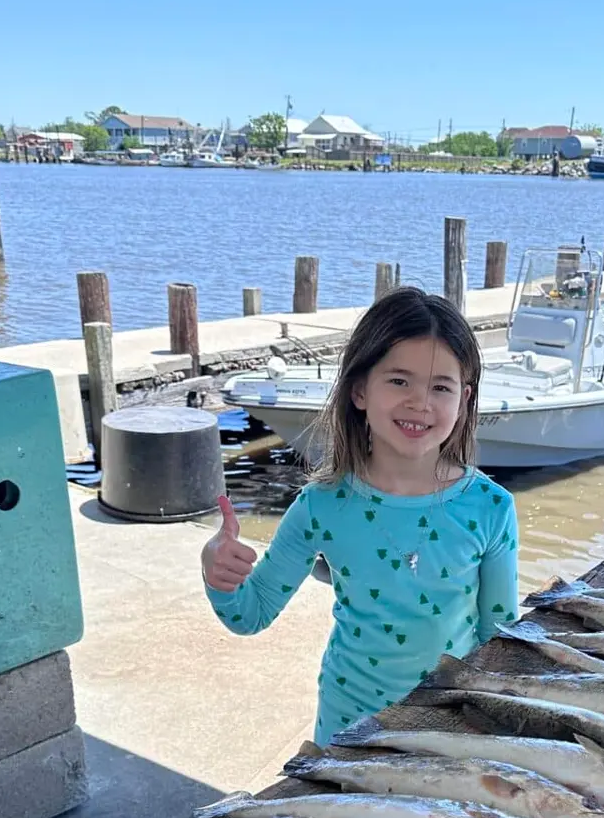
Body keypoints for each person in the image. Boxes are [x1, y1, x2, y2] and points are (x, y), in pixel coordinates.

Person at [202, 286, 520, 744]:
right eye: (398, 380)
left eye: (440, 387)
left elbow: (498, 643)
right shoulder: (321, 504)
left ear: (464, 399)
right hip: (348, 729)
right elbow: (249, 615)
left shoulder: (491, 508)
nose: (420, 402)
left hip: (450, 727)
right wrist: (217, 573)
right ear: (359, 390)